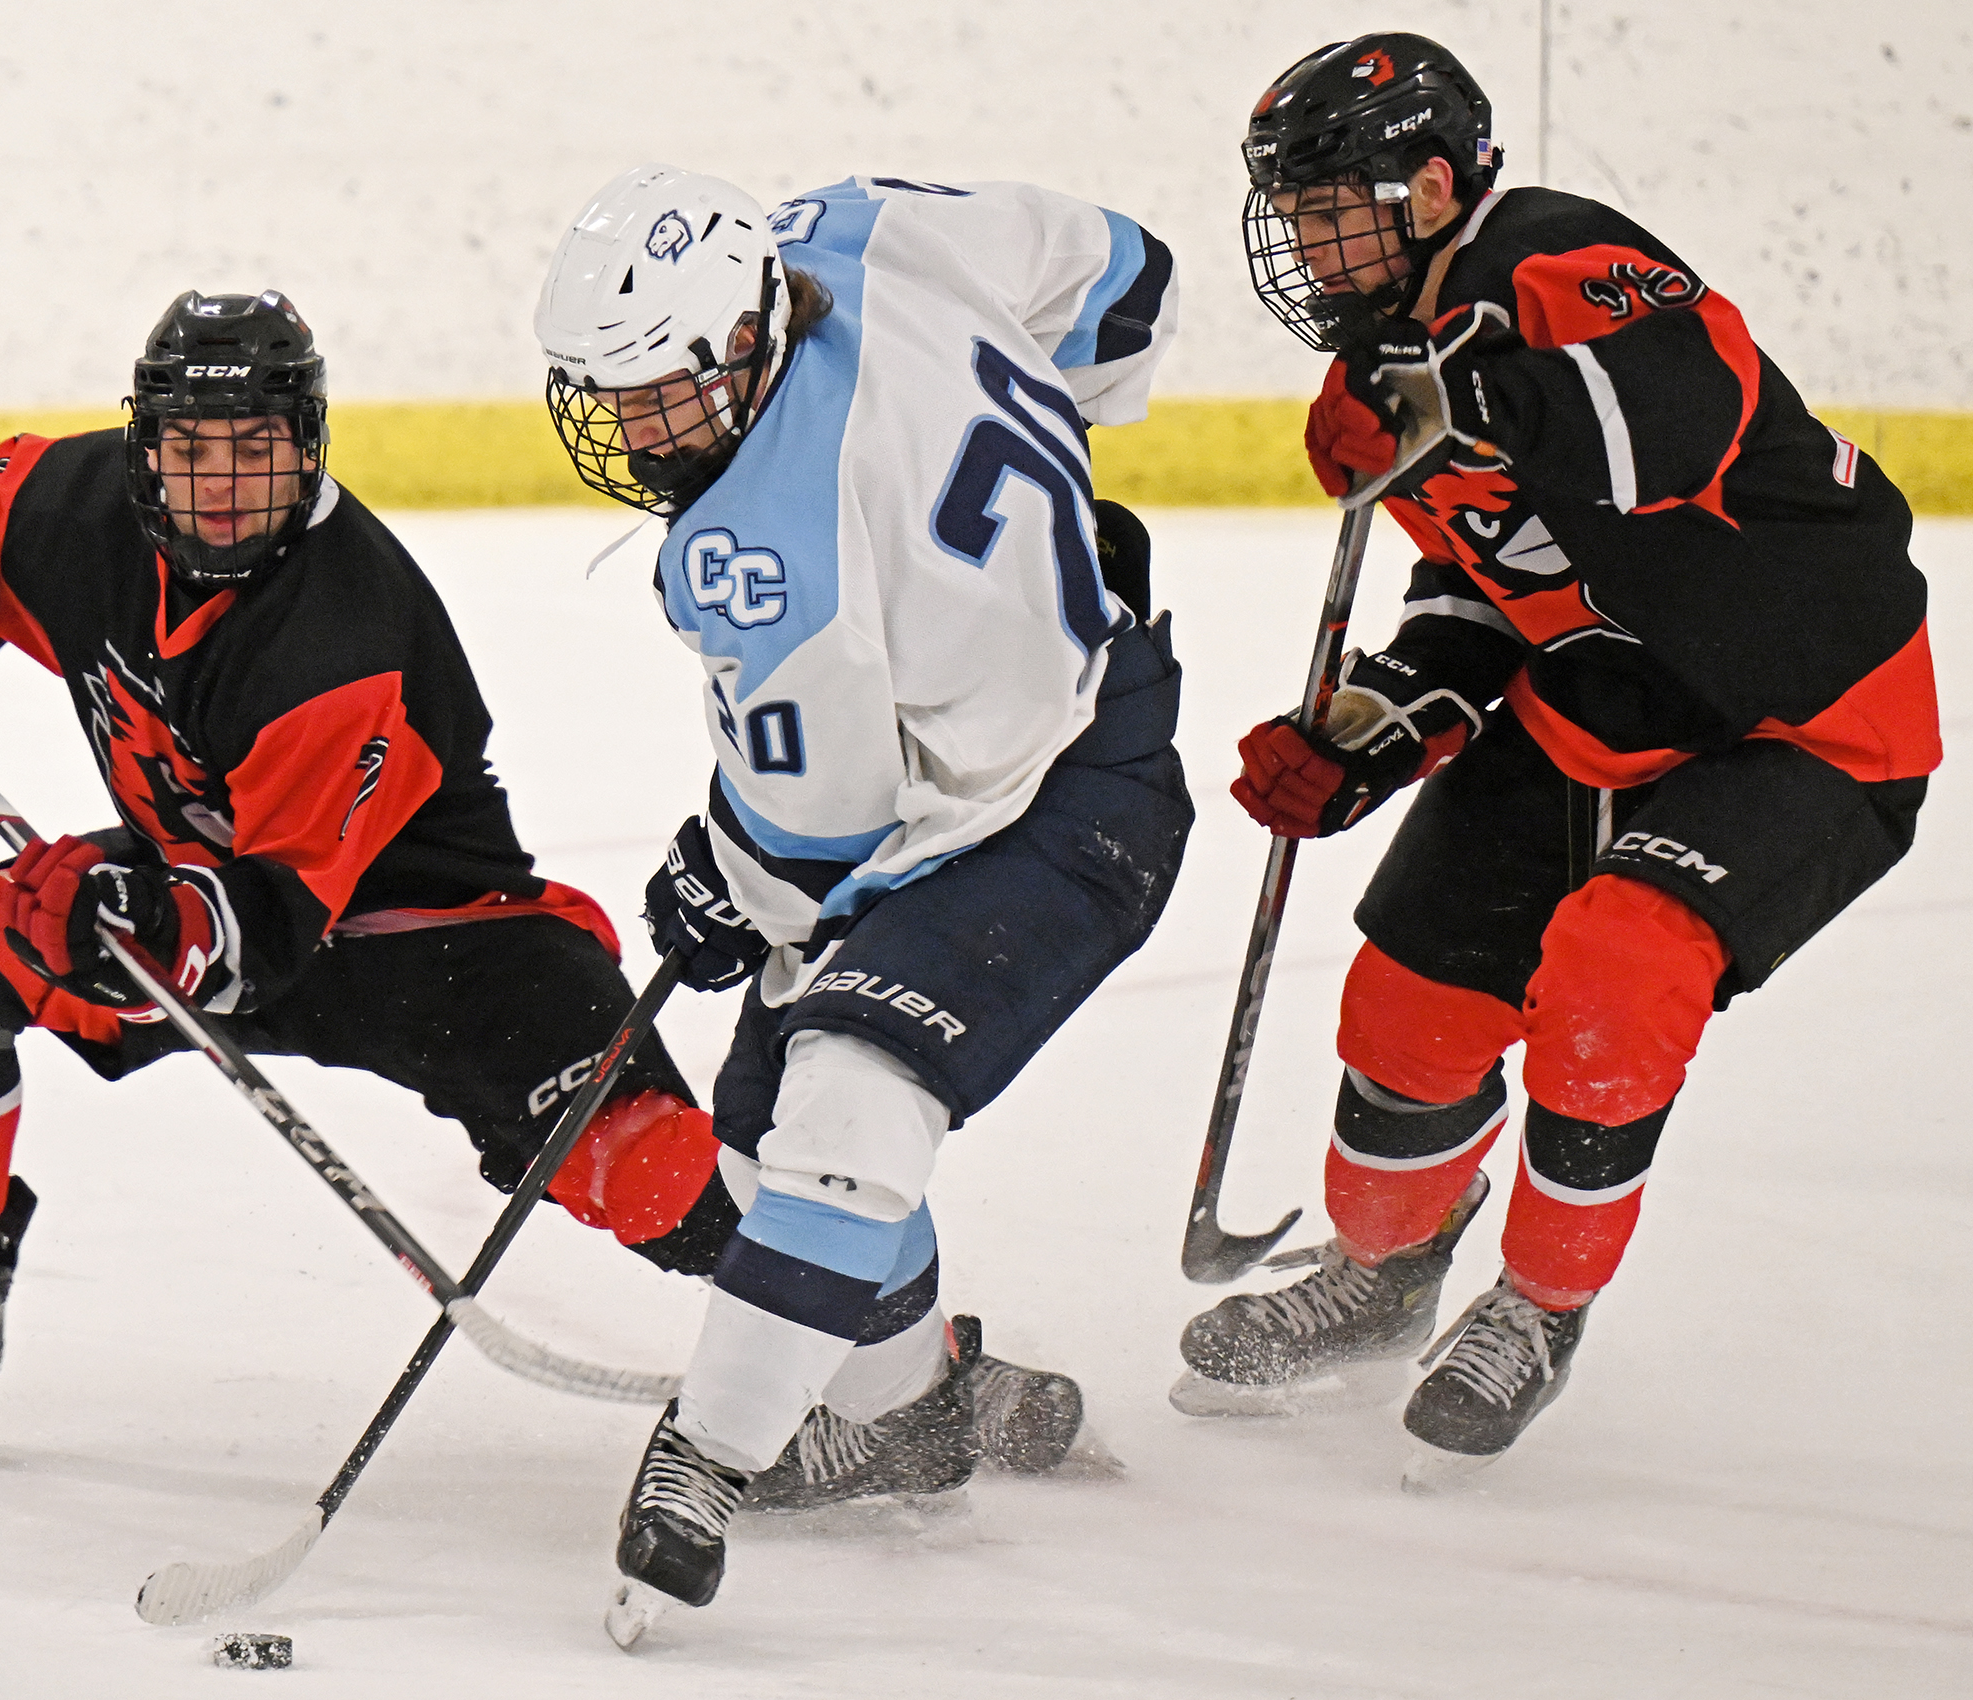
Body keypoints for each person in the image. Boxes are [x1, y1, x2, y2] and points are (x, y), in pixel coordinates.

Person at [0, 290, 739, 1452]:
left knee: (651, 1164)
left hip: (438, 942)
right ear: (145, 449)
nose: (219, 482)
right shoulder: (84, 510)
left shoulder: (342, 633)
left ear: (309, 448)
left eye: (256, 449)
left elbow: (264, 923)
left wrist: (133, 912)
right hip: (210, 890)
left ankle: (885, 1361)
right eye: (188, 449)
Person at [1175, 34, 1940, 1484]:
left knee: (1621, 963)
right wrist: (1373, 733)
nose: (1304, 237)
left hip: (1810, 721)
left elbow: (1677, 428)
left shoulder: (1553, 258)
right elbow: (1489, 589)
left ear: (1435, 185)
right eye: (1292, 208)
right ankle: (1389, 1271)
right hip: (1596, 711)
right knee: (1406, 1002)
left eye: (1332, 200)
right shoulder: (1381, 379)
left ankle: (1538, 1304)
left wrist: (1448, 397)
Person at [535, 165, 1189, 1635]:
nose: (637, 434)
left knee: (850, 1091)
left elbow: (815, 830)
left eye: (662, 397)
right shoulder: (867, 224)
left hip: (1060, 809)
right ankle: (911, 1417)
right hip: (1054, 720)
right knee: (759, 1127)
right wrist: (1062, 501)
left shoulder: (757, 546)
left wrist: (721, 879)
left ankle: (708, 1459)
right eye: (609, 397)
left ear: (747, 333)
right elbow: (1125, 273)